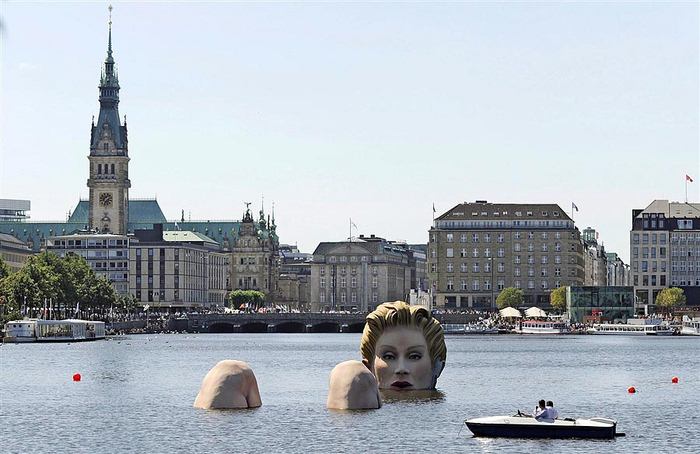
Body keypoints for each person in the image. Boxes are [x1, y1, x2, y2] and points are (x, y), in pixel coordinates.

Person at [194, 301, 447, 410]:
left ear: (437, 366)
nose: (400, 368)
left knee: (351, 378)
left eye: (414, 357)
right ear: (369, 364)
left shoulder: (357, 378)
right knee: (231, 372)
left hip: (347, 418)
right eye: (389, 356)